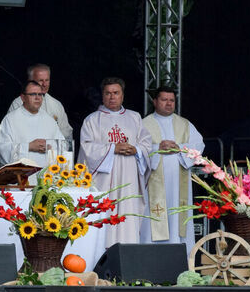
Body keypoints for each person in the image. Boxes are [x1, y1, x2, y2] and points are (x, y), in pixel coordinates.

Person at [79, 77, 152, 248]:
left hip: (129, 180)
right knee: (104, 218)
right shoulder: (92, 120)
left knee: (128, 218)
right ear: (102, 96)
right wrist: (112, 149)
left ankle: (128, 255)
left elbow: (147, 144)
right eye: (108, 93)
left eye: (116, 93)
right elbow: (86, 148)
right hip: (104, 181)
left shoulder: (135, 118)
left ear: (122, 95)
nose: (112, 97)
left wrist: (137, 150)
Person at [142, 86, 205, 253]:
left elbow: (199, 145)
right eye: (164, 100)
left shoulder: (184, 124)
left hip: (179, 185)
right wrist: (157, 148)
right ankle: (151, 259)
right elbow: (137, 150)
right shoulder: (144, 124)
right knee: (153, 220)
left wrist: (180, 148)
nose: (168, 104)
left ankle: (180, 261)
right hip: (154, 184)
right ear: (155, 101)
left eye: (172, 100)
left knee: (178, 220)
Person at [0, 80, 61, 168]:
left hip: (46, 177)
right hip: (20, 177)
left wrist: (50, 146)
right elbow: (3, 149)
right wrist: (28, 147)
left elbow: (62, 146)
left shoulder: (49, 120)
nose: (38, 98)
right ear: (23, 97)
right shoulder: (10, 119)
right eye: (33, 94)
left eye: (40, 94)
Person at [5, 63, 72, 140]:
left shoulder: (56, 105)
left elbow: (66, 134)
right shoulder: (18, 103)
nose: (44, 84)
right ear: (30, 81)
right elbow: (10, 136)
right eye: (40, 80)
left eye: (47, 80)